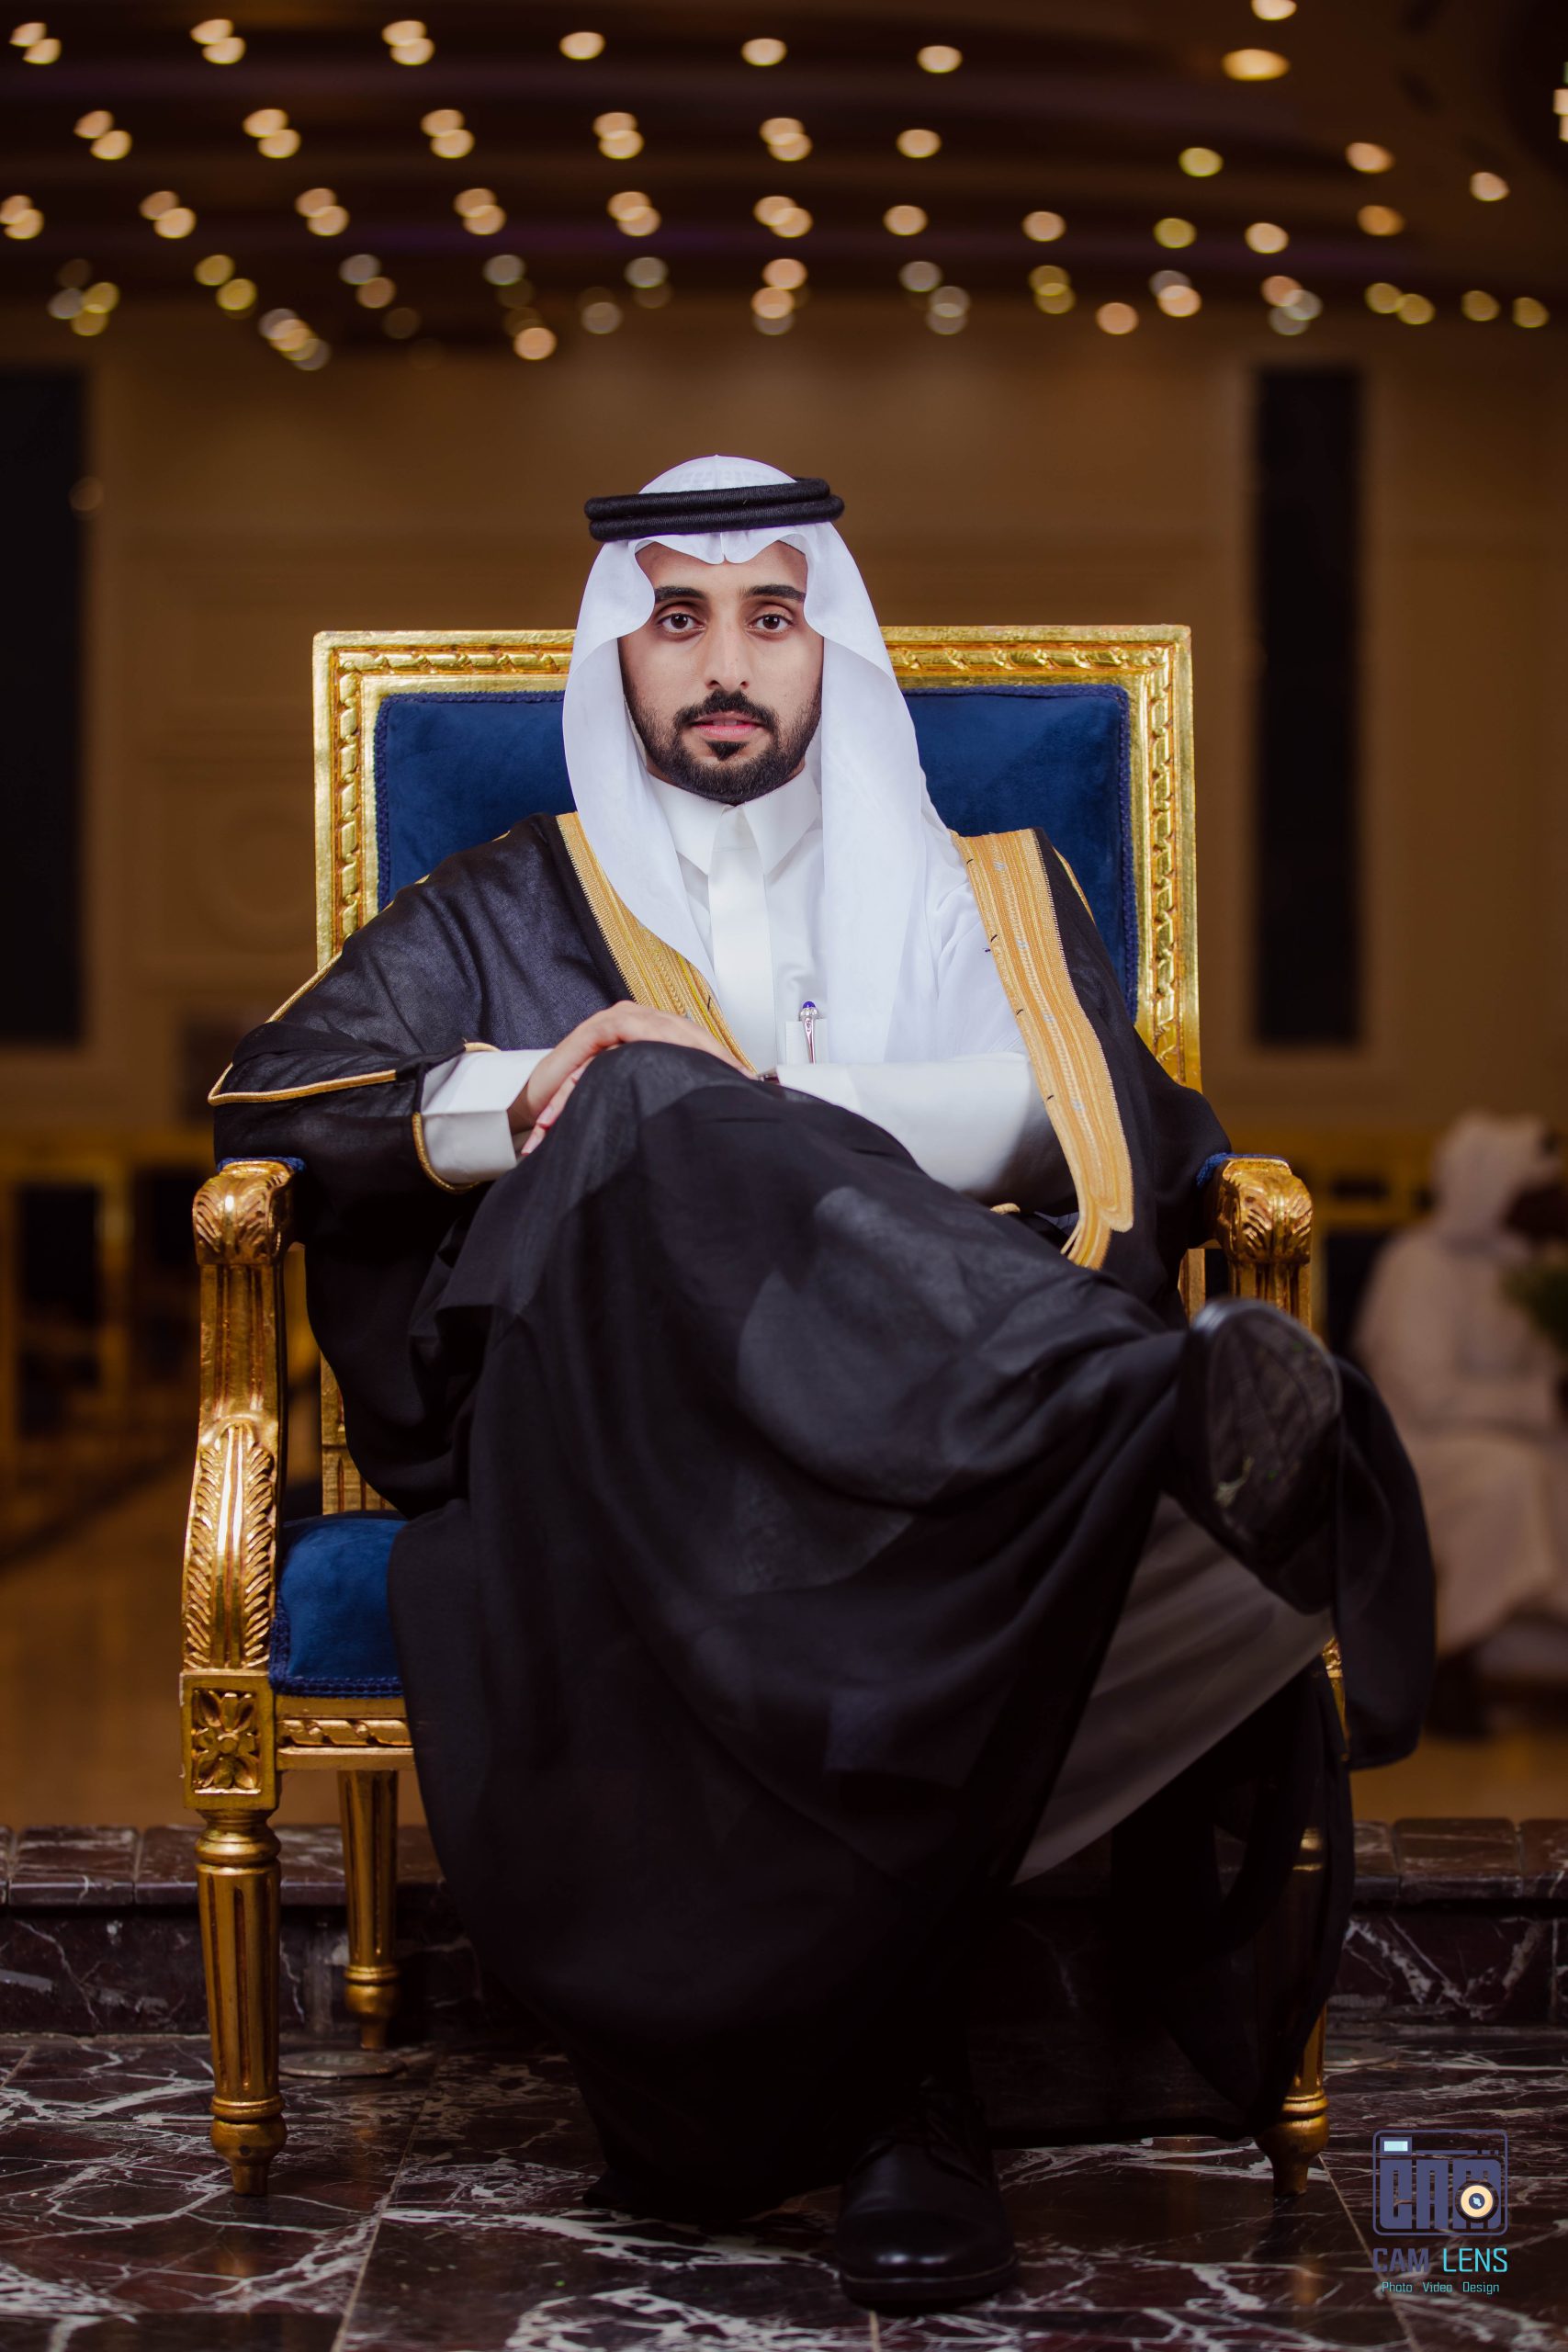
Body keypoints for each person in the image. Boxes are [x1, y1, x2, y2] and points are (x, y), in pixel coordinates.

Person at [212, 456, 1430, 2314]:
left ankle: (889, 2083)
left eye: (769, 617)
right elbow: (278, 1107)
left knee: (701, 1130)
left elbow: (1103, 1125)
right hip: (612, 1430)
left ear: (824, 646)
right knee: (641, 1100)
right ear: (618, 656)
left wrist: (761, 1111)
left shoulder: (984, 892)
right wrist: (556, 1091)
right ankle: (1145, 1429)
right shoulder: (505, 901)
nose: (725, 663)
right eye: (677, 620)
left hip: (905, 1429)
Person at [1357, 1113, 1568, 1735]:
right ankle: (1452, 1653)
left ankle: (1533, 1661)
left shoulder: (1538, 1269)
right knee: (1507, 1476)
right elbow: (1426, 1396)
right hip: (1419, 1444)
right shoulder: (1418, 1264)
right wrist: (1541, 1400)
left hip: (1513, 1435)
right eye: (1540, 1190)